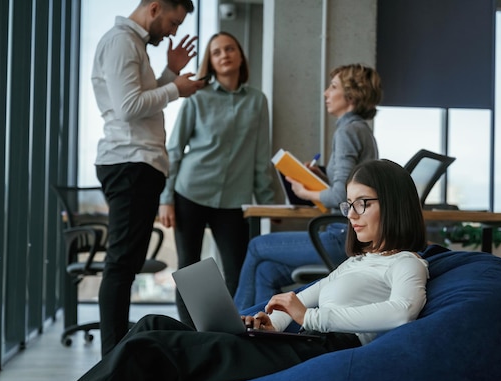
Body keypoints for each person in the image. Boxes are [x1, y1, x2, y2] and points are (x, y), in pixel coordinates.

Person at [32, 158, 429, 381]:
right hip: (301, 343)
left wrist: (310, 317)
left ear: (392, 204)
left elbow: (401, 311)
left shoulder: (406, 262)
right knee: (153, 324)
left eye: (363, 204)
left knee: (148, 350)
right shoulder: (358, 261)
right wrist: (267, 321)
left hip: (324, 353)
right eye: (349, 205)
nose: (352, 215)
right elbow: (301, 301)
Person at [93, 0, 204, 356]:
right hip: (129, 163)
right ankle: (111, 360)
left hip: (138, 164)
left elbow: (141, 102)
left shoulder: (134, 44)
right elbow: (128, 109)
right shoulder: (122, 41)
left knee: (126, 263)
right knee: (121, 264)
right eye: (172, 22)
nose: (173, 31)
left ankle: (115, 354)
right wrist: (177, 89)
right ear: (155, 8)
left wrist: (171, 74)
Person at [234, 63, 383, 310]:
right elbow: (352, 184)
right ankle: (261, 331)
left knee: (256, 245)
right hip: (348, 236)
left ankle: (233, 328)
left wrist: (304, 192)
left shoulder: (347, 132)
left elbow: (339, 196)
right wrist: (320, 174)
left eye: (333, 87)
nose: (326, 93)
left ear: (352, 95)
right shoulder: (360, 130)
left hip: (342, 237)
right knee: (266, 272)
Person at [158, 32, 275, 327]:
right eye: (217, 51)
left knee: (238, 270)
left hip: (235, 199)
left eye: (230, 49)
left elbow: (261, 157)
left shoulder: (257, 101)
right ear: (210, 61)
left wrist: (270, 203)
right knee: (190, 270)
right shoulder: (197, 96)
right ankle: (192, 335)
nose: (224, 55)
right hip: (190, 193)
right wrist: (166, 198)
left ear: (240, 56)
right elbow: (174, 148)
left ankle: (233, 332)